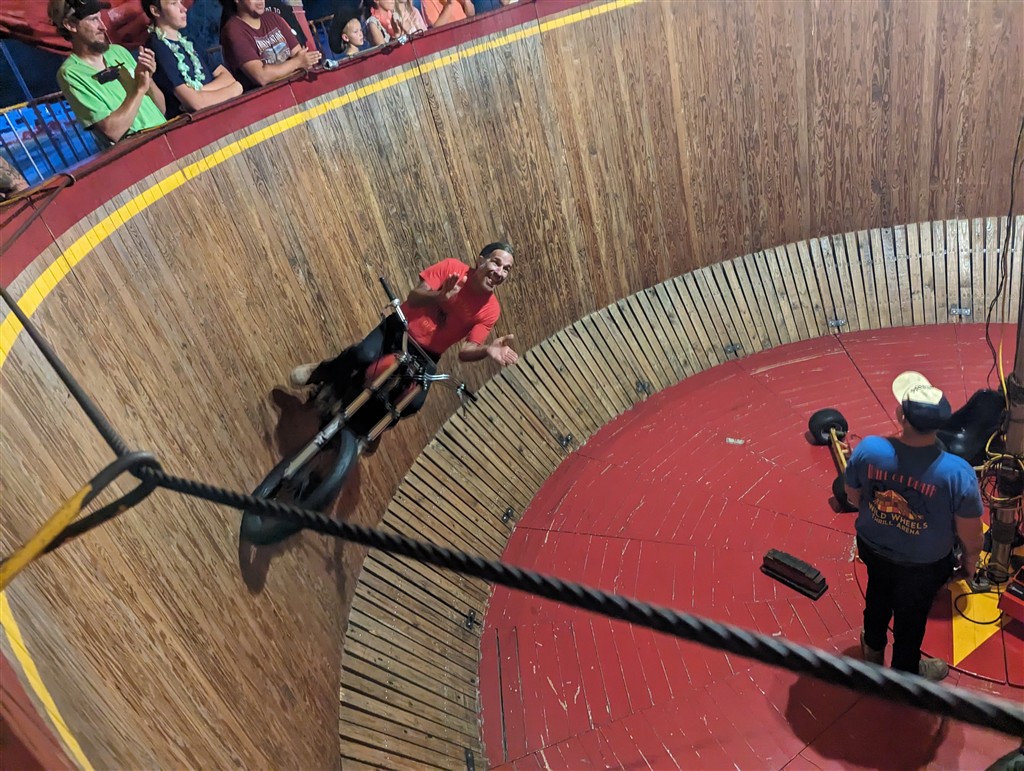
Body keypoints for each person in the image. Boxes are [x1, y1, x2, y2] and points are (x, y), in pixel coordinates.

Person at [844, 371, 985, 681]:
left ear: (901, 415)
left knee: (877, 595)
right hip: (924, 566)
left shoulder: (869, 449)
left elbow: (853, 496)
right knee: (912, 616)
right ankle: (905, 672)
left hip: (875, 550)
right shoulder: (958, 473)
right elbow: (970, 535)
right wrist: (970, 563)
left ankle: (872, 650)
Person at [290, 242, 519, 422]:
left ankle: (370, 427)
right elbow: (414, 297)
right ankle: (324, 371)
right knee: (362, 355)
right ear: (480, 260)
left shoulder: (491, 310)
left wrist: (487, 350)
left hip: (427, 355)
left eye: (506, 269)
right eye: (496, 263)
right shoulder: (452, 268)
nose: (500, 272)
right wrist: (438, 297)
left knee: (412, 404)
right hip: (401, 328)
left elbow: (465, 351)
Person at [50, 0, 167, 147]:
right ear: (70, 25)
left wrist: (148, 79)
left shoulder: (118, 51)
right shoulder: (71, 73)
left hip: (166, 137)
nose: (103, 26)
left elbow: (161, 109)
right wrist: (139, 90)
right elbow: (113, 131)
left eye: (100, 18)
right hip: (140, 150)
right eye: (93, 20)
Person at [144, 0, 242, 118]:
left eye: (181, 2)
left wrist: (199, 92)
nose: (183, 9)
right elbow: (196, 104)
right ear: (155, 11)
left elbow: (226, 76)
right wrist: (234, 89)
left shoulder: (187, 41)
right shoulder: (157, 48)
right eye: (173, 3)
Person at [220, 0, 321, 91]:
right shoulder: (233, 30)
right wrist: (297, 63)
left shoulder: (273, 17)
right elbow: (262, 77)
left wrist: (298, 63)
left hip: (298, 88)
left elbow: (303, 58)